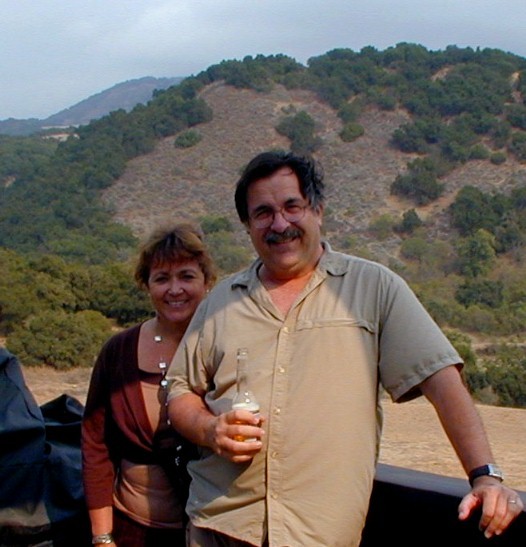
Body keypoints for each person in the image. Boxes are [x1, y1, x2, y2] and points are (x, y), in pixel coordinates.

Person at [166, 151, 523, 547]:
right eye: (263, 213)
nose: (279, 224)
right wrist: (210, 430)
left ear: (317, 210)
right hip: (219, 525)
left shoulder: (375, 288)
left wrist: (485, 476)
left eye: (292, 207)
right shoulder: (220, 301)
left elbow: (442, 380)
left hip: (320, 534)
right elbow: (180, 390)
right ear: (248, 225)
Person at [82, 222, 217, 547]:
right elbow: (95, 445)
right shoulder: (118, 351)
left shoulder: (225, 347)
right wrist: (102, 537)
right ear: (147, 284)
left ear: (207, 281)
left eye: (186, 276)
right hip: (131, 530)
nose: (175, 289)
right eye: (162, 278)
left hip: (210, 533)